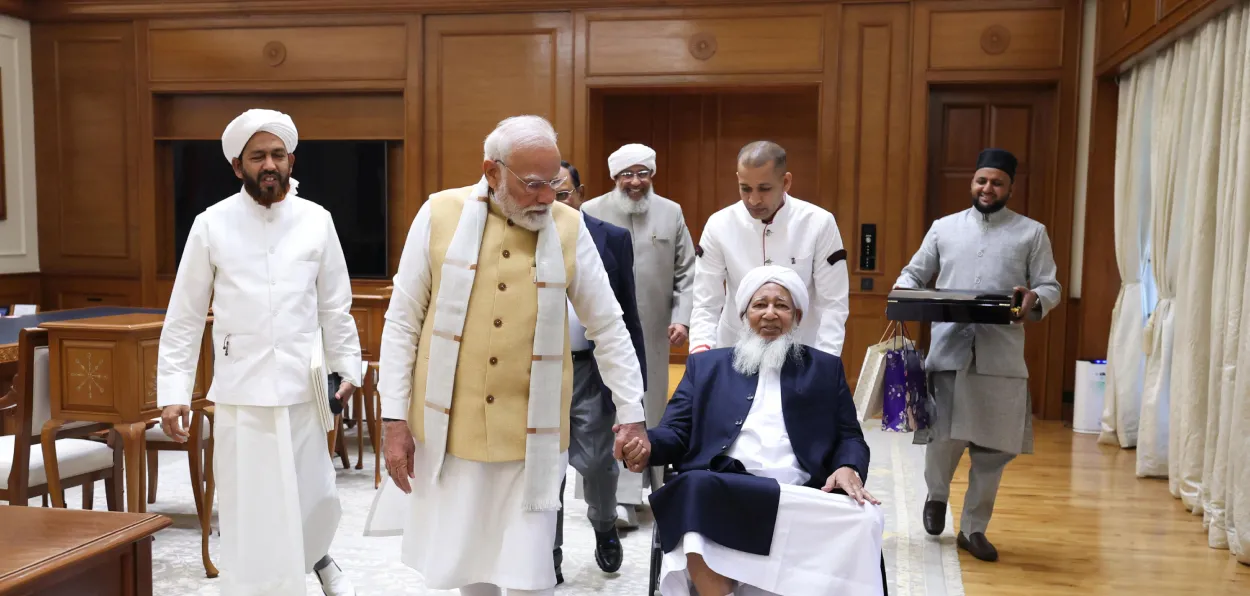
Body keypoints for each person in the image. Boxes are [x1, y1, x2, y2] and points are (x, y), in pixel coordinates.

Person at [370, 115, 648, 596]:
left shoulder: (570, 227)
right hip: (451, 434)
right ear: (492, 171)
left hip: (532, 440)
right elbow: (402, 321)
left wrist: (632, 413)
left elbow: (607, 324)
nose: (547, 198)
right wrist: (394, 419)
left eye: (554, 184)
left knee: (528, 575)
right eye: (534, 184)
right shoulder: (438, 214)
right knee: (470, 570)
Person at [156, 108, 361, 595]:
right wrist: (173, 391)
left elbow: (337, 307)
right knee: (251, 506)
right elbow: (183, 316)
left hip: (303, 387)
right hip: (240, 389)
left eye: (277, 154)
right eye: (257, 157)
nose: (269, 164)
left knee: (314, 496)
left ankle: (318, 558)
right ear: (237, 166)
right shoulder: (211, 224)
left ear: (290, 159)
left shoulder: (317, 221)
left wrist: (347, 367)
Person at [623, 265, 884, 596]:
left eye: (782, 306)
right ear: (744, 314)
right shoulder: (706, 367)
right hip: (724, 487)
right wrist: (645, 443)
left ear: (798, 316)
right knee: (692, 488)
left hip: (799, 493)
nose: (770, 315)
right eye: (760, 305)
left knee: (866, 518)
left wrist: (848, 466)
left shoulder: (825, 369)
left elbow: (850, 436)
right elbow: (675, 432)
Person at [894, 147, 1061, 562]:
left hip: (1001, 359)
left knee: (993, 450)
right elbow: (913, 274)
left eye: (997, 182)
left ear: (1010, 187)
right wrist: (905, 292)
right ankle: (936, 496)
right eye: (982, 181)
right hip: (950, 352)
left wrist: (1034, 298)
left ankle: (974, 528)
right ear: (973, 182)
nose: (988, 188)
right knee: (943, 439)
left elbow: (1050, 286)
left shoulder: (1031, 232)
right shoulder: (943, 228)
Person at [581, 143, 696, 527]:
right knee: (613, 411)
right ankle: (619, 500)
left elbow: (687, 272)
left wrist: (682, 318)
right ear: (614, 178)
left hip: (654, 333)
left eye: (642, 173)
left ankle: (653, 488)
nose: (635, 181)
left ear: (652, 175)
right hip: (604, 333)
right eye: (627, 174)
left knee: (650, 411)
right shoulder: (590, 213)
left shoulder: (671, 212)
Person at [550, 160, 648, 581]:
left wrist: (633, 387)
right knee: (540, 465)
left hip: (591, 369)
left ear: (580, 192)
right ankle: (545, 548)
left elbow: (627, 315)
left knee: (595, 463)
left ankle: (604, 525)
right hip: (539, 373)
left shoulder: (611, 239)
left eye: (562, 194)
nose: (553, 203)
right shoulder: (521, 237)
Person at [690, 141, 850, 356]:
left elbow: (833, 304)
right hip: (734, 348)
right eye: (745, 189)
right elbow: (706, 303)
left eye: (764, 189)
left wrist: (826, 359)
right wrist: (701, 356)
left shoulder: (819, 223)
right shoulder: (718, 224)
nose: (754, 199)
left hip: (801, 350)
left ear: (786, 182)